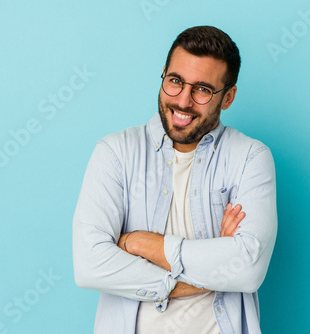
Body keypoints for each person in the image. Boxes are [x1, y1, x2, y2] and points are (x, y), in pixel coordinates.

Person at [73, 25, 277, 334]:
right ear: (164, 75)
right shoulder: (115, 152)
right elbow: (89, 266)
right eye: (175, 81)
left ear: (228, 97)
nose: (183, 101)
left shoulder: (250, 157)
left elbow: (246, 270)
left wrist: (143, 244)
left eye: (203, 89)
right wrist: (213, 264)